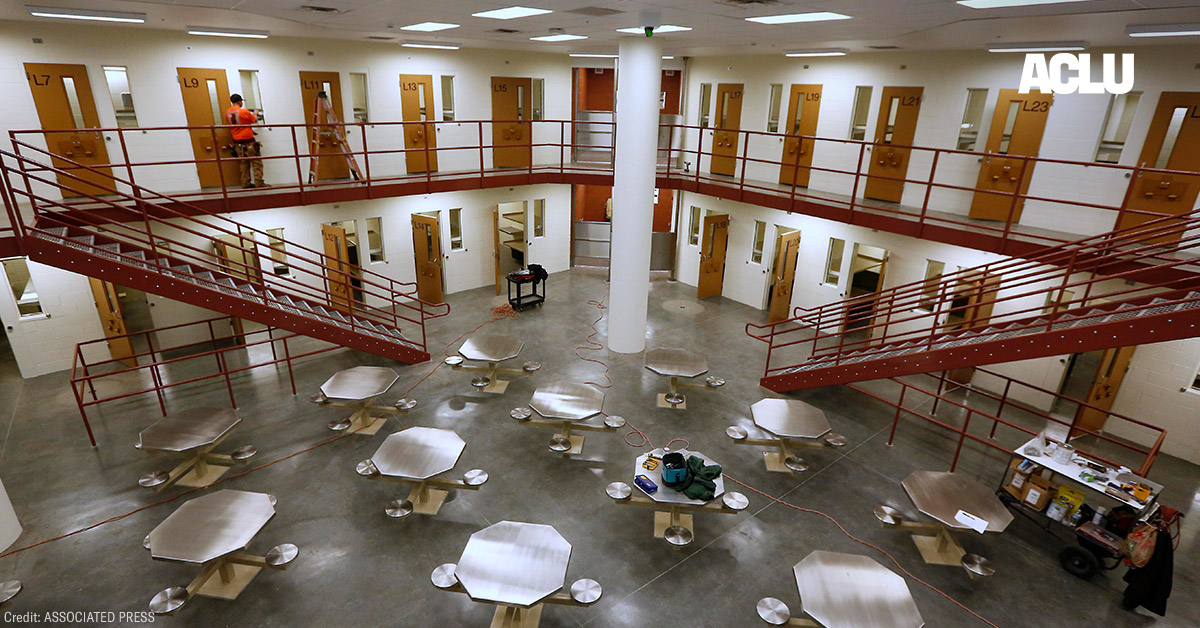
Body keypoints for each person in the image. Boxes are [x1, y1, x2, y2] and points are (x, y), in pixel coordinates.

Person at [224, 94, 266, 188]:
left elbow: (238, 125)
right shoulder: (244, 111)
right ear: (240, 102)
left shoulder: (228, 113)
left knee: (244, 163)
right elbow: (254, 120)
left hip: (238, 143)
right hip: (249, 142)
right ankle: (259, 183)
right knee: (256, 162)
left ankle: (246, 183)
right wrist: (255, 113)